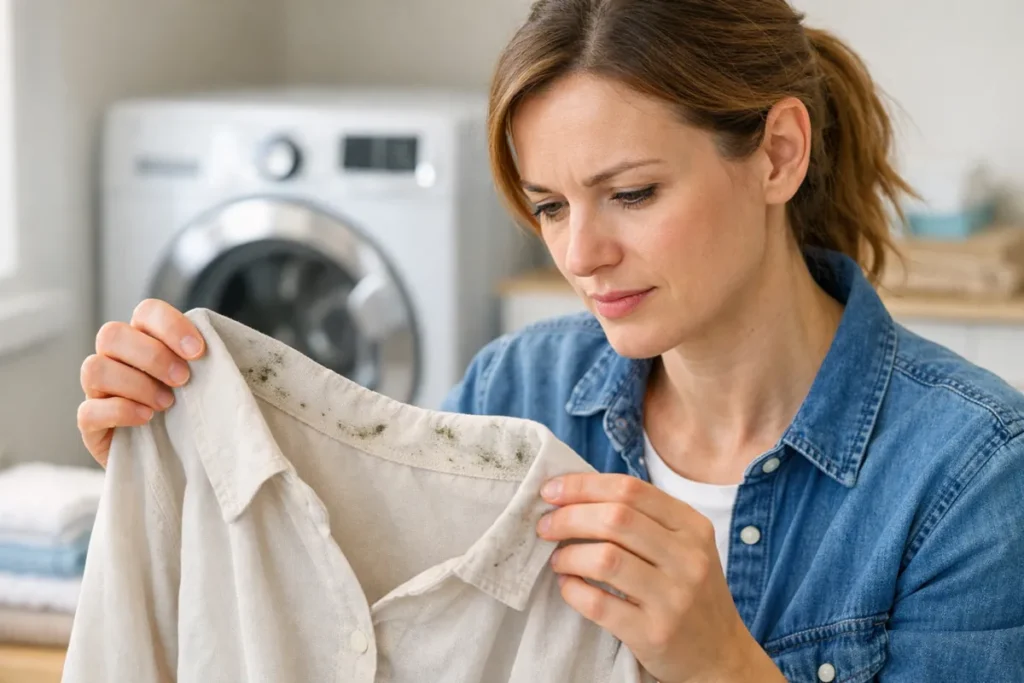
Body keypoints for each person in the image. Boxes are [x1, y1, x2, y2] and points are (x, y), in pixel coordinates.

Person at [78, 0, 1024, 681]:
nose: (582, 253)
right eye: (549, 206)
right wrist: (177, 457)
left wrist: (720, 664)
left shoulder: (970, 474)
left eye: (632, 193)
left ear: (778, 152)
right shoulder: (512, 388)